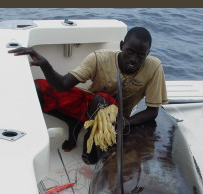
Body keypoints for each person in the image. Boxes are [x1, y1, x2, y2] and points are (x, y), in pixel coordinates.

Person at [9, 26, 168, 164]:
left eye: (141, 55)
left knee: (92, 156)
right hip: (92, 106)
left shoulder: (154, 67)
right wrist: (45, 65)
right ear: (121, 46)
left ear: (147, 54)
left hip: (115, 120)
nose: (134, 59)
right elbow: (62, 85)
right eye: (129, 52)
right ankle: (73, 121)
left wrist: (126, 123)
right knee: (38, 88)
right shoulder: (99, 58)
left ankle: (91, 139)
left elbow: (153, 111)